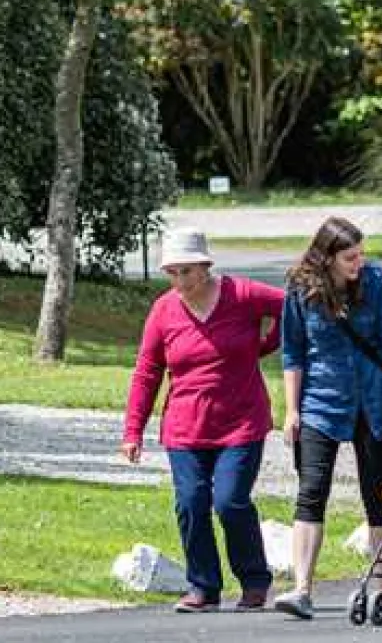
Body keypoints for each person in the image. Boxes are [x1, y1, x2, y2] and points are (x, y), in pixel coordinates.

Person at [271, 217, 382, 620]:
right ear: (326, 257)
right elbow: (292, 353)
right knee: (311, 491)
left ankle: (381, 588)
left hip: (372, 402)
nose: (359, 263)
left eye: (362, 254)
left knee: (376, 496)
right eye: (350, 257)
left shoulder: (375, 282)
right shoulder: (300, 289)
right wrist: (292, 410)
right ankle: (301, 589)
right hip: (320, 403)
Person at [120, 228, 283, 613]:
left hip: (241, 422)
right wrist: (133, 431)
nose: (179, 282)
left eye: (186, 272)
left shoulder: (242, 295)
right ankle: (203, 588)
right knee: (191, 503)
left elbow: (293, 309)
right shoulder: (163, 310)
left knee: (229, 502)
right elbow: (147, 372)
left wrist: (265, 346)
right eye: (172, 273)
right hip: (184, 426)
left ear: (205, 267)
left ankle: (255, 581)